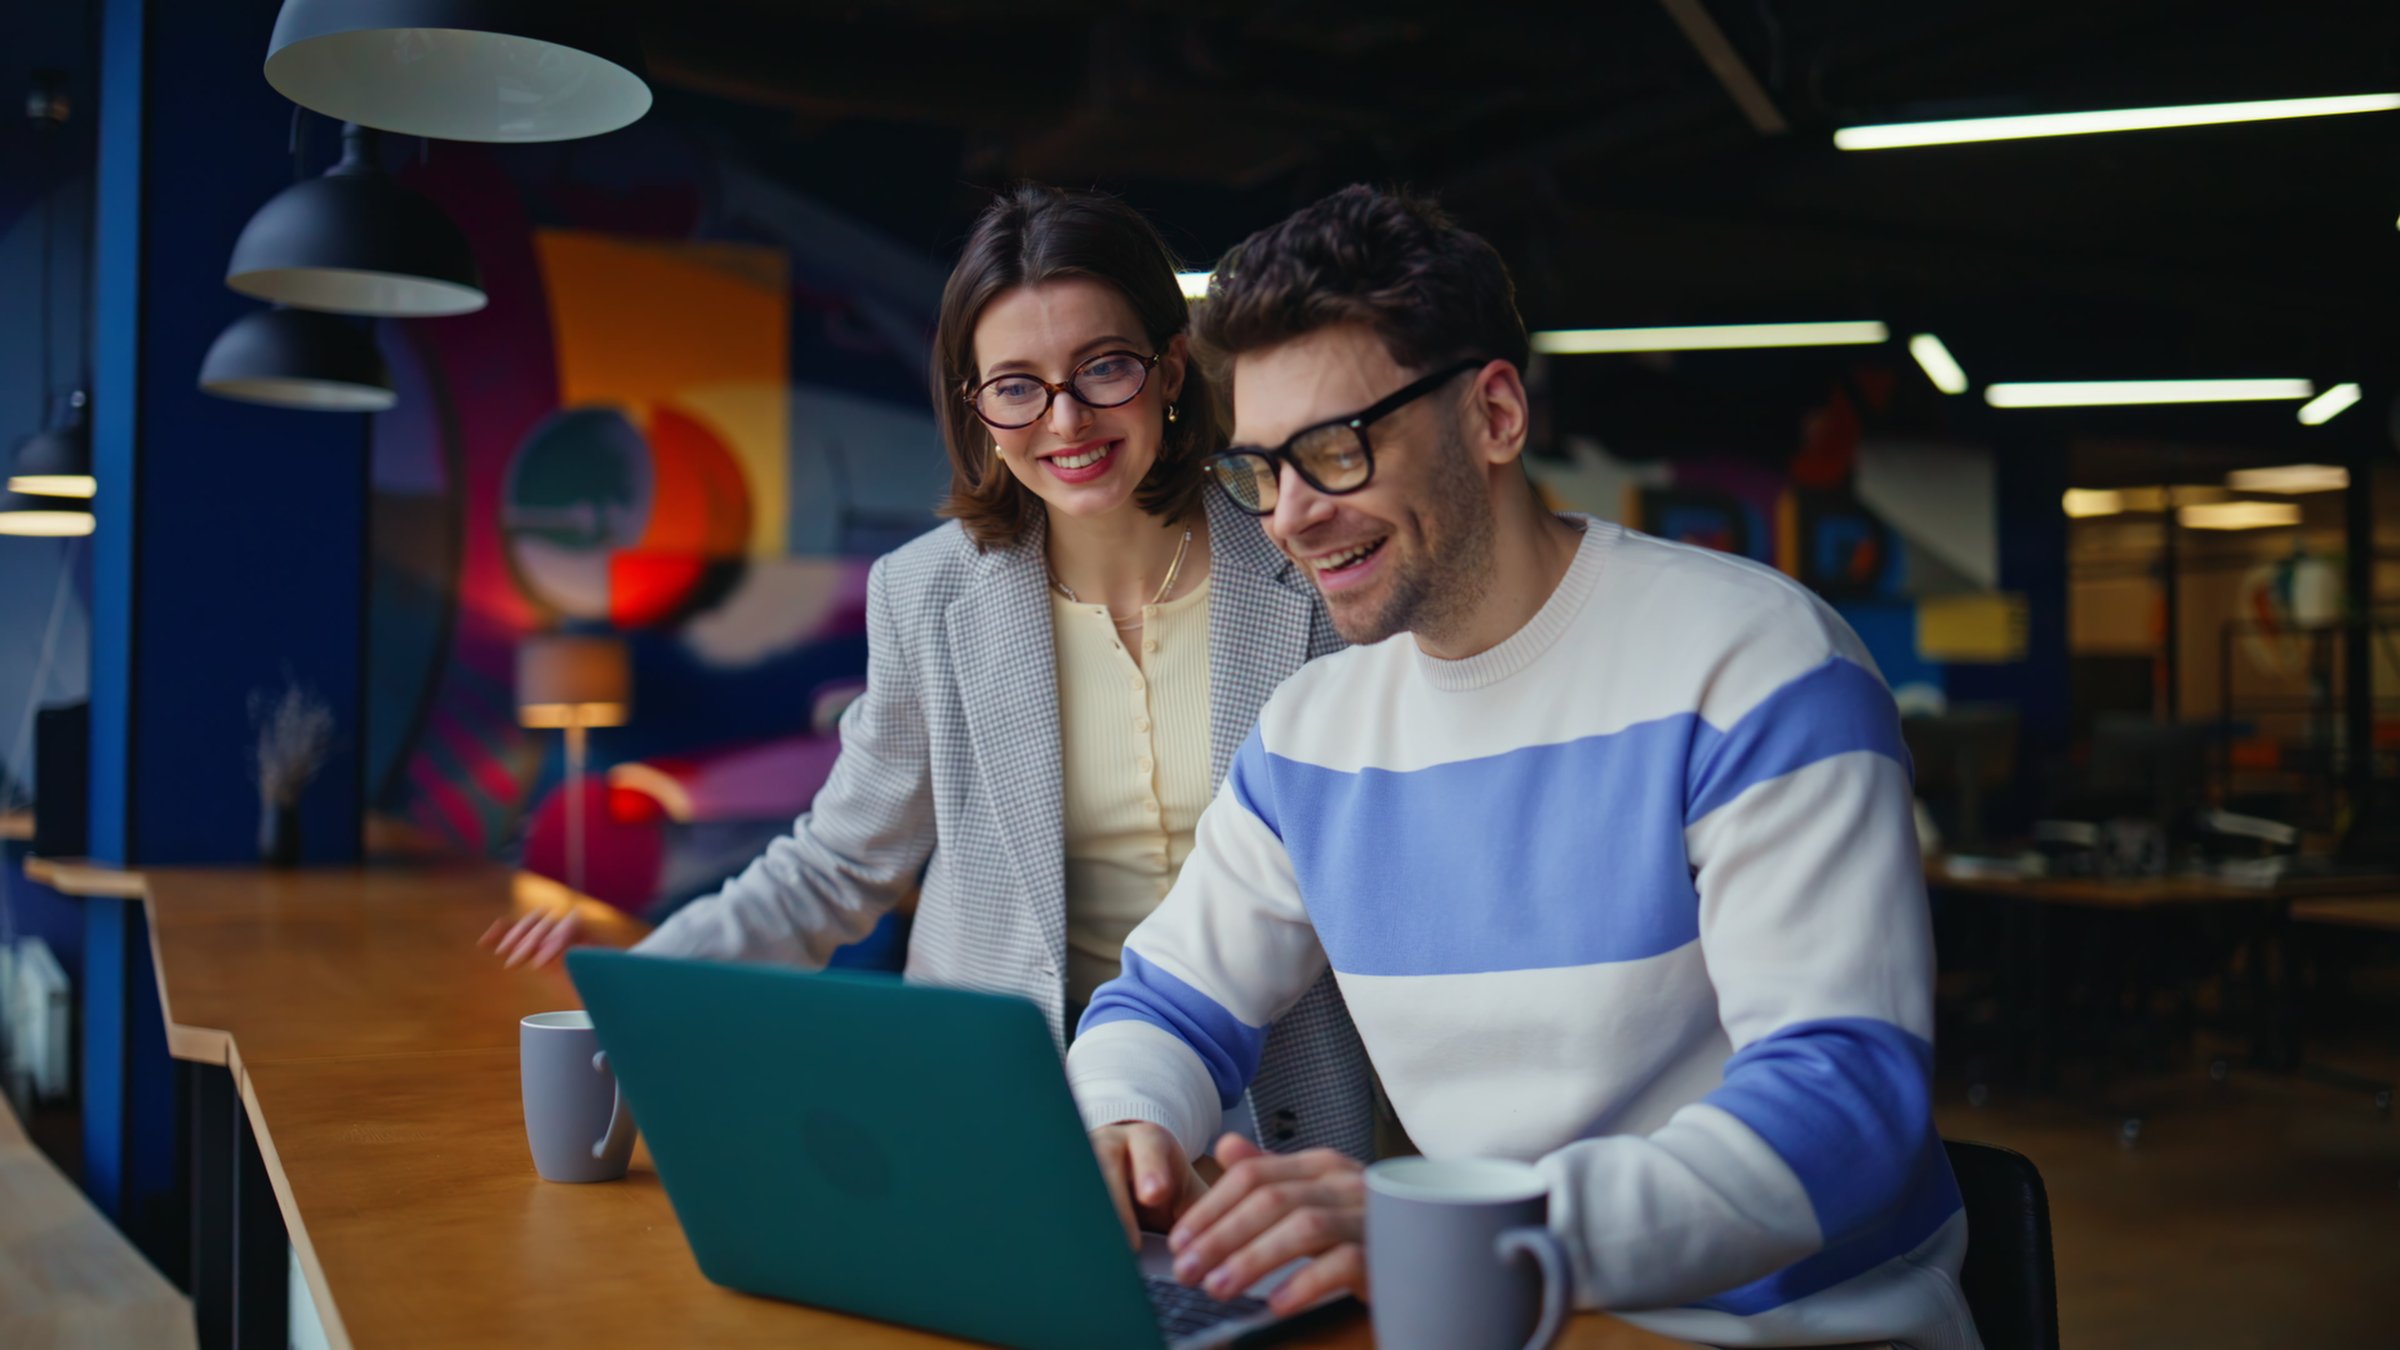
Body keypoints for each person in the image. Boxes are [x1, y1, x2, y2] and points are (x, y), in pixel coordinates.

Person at [1067, 185, 1977, 1349]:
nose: (1290, 515)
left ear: (1494, 414)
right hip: (1502, 1313)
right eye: (1259, 471)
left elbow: (1845, 1101)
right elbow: (1165, 1008)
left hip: (1790, 1330)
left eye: (1336, 452)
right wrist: (1121, 1121)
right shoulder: (1309, 738)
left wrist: (1468, 1233)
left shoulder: (1756, 667)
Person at [484, 186, 1376, 1163]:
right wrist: (636, 987)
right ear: (978, 408)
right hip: (1004, 1107)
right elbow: (835, 868)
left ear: (1168, 367)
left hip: (1274, 1115)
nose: (1065, 418)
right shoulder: (926, 594)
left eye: (1104, 368)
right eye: (1017, 385)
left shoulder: (1309, 564)